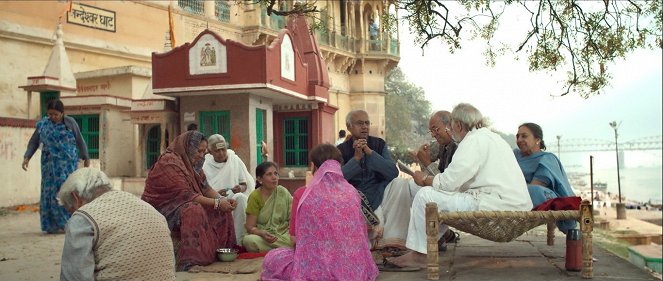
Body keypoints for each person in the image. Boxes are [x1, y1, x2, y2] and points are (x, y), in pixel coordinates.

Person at [388, 103, 532, 269]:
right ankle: (430, 241)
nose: (450, 129)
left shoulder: (472, 141)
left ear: (457, 124)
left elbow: (448, 183)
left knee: (425, 196)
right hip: (507, 202)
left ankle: (420, 255)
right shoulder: (492, 138)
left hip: (496, 203)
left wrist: (425, 178)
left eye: (450, 125)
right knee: (422, 191)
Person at [261, 144, 378, 280]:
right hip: (356, 268)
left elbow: (294, 239)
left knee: (273, 258)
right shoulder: (352, 192)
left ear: (314, 167)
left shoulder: (304, 194)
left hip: (316, 268)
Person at [58, 168, 175, 281]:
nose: (73, 214)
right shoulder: (149, 209)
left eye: (71, 210)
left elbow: (74, 276)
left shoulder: (83, 217)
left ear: (76, 197)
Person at [142, 131, 236, 271]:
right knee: (194, 210)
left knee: (222, 209)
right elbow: (186, 195)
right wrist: (217, 203)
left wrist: (222, 200)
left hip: (185, 203)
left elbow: (205, 188)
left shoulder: (193, 164)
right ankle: (191, 262)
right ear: (188, 147)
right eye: (198, 151)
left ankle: (219, 252)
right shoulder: (169, 163)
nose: (201, 155)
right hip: (163, 210)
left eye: (204, 152)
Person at [380, 111, 459, 253]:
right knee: (401, 185)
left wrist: (426, 162)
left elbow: (447, 184)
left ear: (450, 126)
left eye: (436, 129)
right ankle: (395, 240)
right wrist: (422, 160)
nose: (434, 134)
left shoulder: (459, 146)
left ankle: (436, 237)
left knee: (420, 192)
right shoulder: (442, 144)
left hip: (455, 196)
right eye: (431, 131)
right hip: (442, 190)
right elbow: (430, 173)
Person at [22, 99, 90, 234]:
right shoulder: (43, 124)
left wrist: (86, 157)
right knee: (50, 193)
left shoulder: (70, 123)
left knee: (66, 192)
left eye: (55, 114)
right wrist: (27, 157)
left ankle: (68, 223)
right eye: (50, 114)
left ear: (62, 113)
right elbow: (34, 142)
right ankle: (51, 225)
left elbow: (79, 140)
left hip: (67, 165)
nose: (52, 117)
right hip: (49, 165)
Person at [336, 110, 399, 244]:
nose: (364, 127)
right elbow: (338, 179)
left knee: (401, 184)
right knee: (366, 243)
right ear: (349, 127)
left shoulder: (379, 144)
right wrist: (357, 158)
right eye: (360, 123)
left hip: (379, 194)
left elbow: (393, 172)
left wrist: (370, 152)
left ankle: (395, 241)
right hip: (355, 200)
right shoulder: (340, 150)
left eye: (367, 123)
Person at [515, 122, 577, 233]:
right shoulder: (514, 155)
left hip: (536, 194)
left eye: (524, 136)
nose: (519, 140)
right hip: (516, 193)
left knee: (533, 190)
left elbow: (535, 186)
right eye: (517, 136)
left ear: (537, 140)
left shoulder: (548, 159)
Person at [203, 134, 255, 244]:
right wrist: (216, 194)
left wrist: (239, 188)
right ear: (210, 151)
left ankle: (239, 241)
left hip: (232, 197)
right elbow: (202, 189)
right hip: (213, 200)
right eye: (217, 151)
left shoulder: (234, 160)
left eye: (223, 149)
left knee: (240, 198)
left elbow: (244, 184)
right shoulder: (205, 164)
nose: (221, 153)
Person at [243, 161, 293, 252]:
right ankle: (284, 248)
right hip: (263, 236)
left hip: (284, 233)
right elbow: (250, 226)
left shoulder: (283, 192)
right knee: (249, 241)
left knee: (298, 238)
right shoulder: (255, 196)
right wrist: (261, 233)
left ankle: (280, 248)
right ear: (259, 179)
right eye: (269, 174)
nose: (274, 177)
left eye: (276, 173)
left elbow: (293, 218)